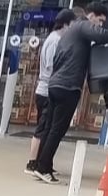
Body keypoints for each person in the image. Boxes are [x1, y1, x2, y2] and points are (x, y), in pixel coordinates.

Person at [34, 2, 108, 183]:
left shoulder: (72, 32)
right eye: (100, 20)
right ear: (92, 15)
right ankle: (43, 167)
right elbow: (102, 37)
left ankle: (41, 164)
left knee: (50, 127)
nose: (100, 25)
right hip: (68, 87)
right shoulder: (83, 26)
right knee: (57, 129)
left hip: (56, 84)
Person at [25, 9, 78, 175]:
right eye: (74, 24)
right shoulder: (54, 40)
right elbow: (49, 65)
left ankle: (43, 161)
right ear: (66, 23)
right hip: (46, 90)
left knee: (46, 127)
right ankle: (32, 162)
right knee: (42, 128)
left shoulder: (57, 39)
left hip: (48, 88)